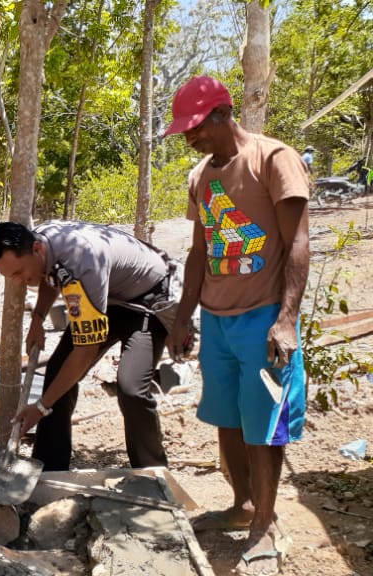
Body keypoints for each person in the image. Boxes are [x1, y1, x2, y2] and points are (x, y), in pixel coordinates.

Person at [163, 75, 309, 576]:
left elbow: (298, 243)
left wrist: (286, 320)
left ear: (223, 114)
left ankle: (265, 525)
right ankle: (242, 503)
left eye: (196, 127)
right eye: (185, 131)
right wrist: (182, 317)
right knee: (228, 417)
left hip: (264, 316)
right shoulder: (202, 174)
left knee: (265, 423)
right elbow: (200, 251)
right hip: (217, 321)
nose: (190, 138)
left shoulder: (274, 159)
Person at [0, 221, 174, 472]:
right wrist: (38, 318)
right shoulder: (44, 240)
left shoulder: (81, 264)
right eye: (12, 276)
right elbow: (50, 275)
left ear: (37, 249)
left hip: (148, 303)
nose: (20, 281)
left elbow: (85, 352)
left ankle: (152, 472)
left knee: (131, 388)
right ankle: (50, 467)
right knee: (56, 372)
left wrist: (41, 407)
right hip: (107, 297)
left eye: (20, 273)